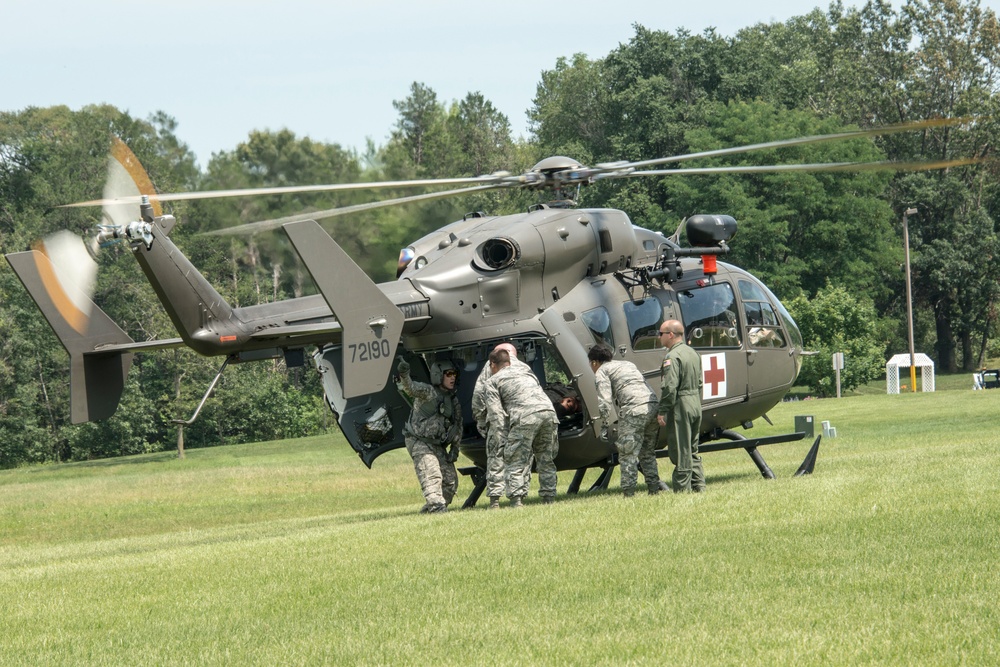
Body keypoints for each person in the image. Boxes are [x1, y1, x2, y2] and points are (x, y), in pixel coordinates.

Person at [483, 348, 559, 507]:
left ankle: (517, 500)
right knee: (546, 458)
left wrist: (500, 442)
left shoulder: (492, 381)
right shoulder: (527, 372)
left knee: (515, 459)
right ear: (509, 362)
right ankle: (549, 498)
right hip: (549, 413)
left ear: (492, 365)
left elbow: (496, 415)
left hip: (525, 416)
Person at [588, 343, 661, 497]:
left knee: (627, 453)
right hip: (652, 406)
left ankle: (629, 493)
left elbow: (604, 401)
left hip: (633, 409)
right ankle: (654, 489)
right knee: (647, 452)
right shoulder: (627, 364)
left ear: (594, 362)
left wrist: (604, 426)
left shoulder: (602, 371)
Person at [397, 358, 463, 513]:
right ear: (439, 375)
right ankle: (436, 507)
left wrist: (455, 448)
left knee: (450, 482)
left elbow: (457, 426)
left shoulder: (453, 401)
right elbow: (410, 388)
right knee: (432, 475)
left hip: (436, 445)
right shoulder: (427, 392)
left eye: (454, 374)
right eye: (449, 374)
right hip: (419, 441)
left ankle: (431, 509)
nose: (453, 377)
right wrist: (404, 374)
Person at [471, 342, 524, 510]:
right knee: (519, 460)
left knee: (496, 460)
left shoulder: (490, 366)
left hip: (497, 420)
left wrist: (480, 420)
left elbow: (479, 395)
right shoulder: (522, 367)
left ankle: (495, 502)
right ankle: (518, 499)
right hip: (518, 419)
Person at [657, 319, 705, 492]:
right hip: (694, 402)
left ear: (670, 335)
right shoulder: (693, 353)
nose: (659, 337)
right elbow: (700, 382)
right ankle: (699, 487)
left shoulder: (672, 356)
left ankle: (682, 492)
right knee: (691, 448)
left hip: (681, 405)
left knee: (680, 449)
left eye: (661, 333)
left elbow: (670, 387)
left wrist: (662, 410)